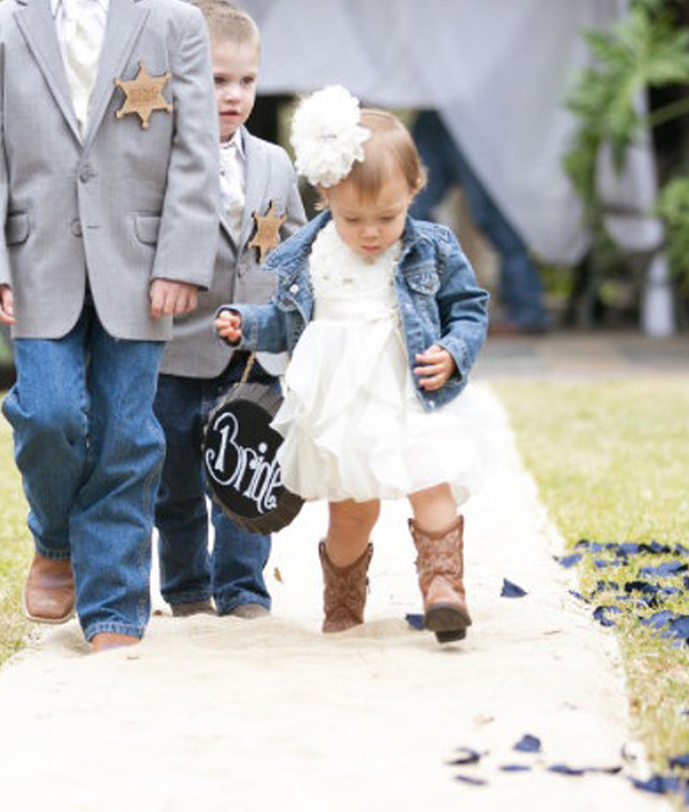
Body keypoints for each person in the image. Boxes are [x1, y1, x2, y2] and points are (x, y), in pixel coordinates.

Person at [0, 0, 220, 652]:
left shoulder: (174, 25)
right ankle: (54, 539)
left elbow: (196, 154)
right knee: (48, 415)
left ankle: (113, 607)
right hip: (35, 263)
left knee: (128, 432)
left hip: (142, 266)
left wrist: (183, 259)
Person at [215, 87, 489, 644]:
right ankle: (342, 603)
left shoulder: (430, 247)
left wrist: (454, 351)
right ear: (325, 196)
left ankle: (443, 588)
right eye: (352, 218)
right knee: (351, 513)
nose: (369, 232)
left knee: (430, 482)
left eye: (387, 216)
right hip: (342, 407)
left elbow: (468, 307)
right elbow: (284, 322)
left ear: (414, 190)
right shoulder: (312, 255)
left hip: (409, 393)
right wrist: (248, 325)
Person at [153, 0, 306, 620]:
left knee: (248, 478)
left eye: (246, 81)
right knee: (176, 488)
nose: (234, 95)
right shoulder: (158, 160)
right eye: (217, 80)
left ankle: (243, 591)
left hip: (252, 358)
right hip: (173, 353)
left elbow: (296, 248)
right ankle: (187, 590)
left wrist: (293, 320)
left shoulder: (274, 162)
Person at [410, 109, 548, 334]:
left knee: (490, 216)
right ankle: (423, 304)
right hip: (439, 112)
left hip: (471, 115)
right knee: (410, 210)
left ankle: (526, 308)